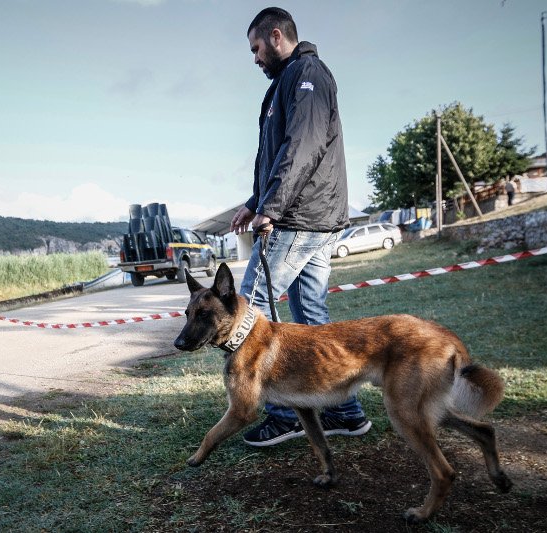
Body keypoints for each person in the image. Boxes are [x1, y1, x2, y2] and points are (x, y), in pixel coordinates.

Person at [230, 7, 371, 446]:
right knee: (311, 317)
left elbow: (303, 146)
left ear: (276, 36)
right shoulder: (282, 85)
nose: (254, 58)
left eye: (255, 48)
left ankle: (284, 412)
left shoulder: (307, 73)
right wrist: (254, 201)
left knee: (250, 309)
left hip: (300, 217)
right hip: (310, 214)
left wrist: (271, 207)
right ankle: (344, 411)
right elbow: (273, 156)